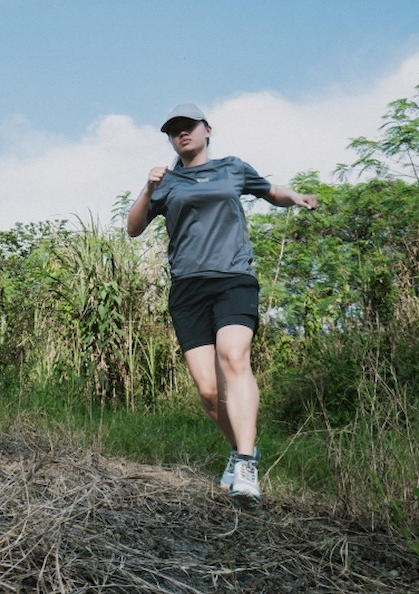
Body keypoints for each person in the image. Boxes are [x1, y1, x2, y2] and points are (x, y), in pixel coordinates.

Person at [127, 103, 317, 504]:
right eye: (174, 130)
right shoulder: (167, 183)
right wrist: (148, 188)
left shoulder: (232, 167)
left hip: (233, 278)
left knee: (234, 357)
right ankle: (240, 450)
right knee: (210, 392)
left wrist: (295, 196)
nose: (182, 134)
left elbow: (270, 191)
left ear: (207, 130)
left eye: (188, 127)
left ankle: (246, 464)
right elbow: (133, 228)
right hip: (187, 288)